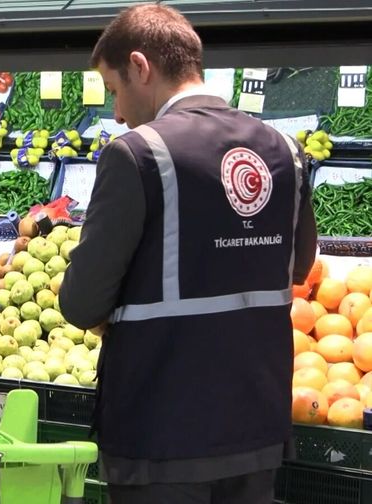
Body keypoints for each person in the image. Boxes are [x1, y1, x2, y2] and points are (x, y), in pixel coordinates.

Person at [58, 4, 317, 504]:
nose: (116, 113)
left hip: (163, 432)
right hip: (256, 425)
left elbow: (81, 303)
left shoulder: (136, 153)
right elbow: (299, 265)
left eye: (115, 90)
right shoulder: (284, 149)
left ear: (140, 66)